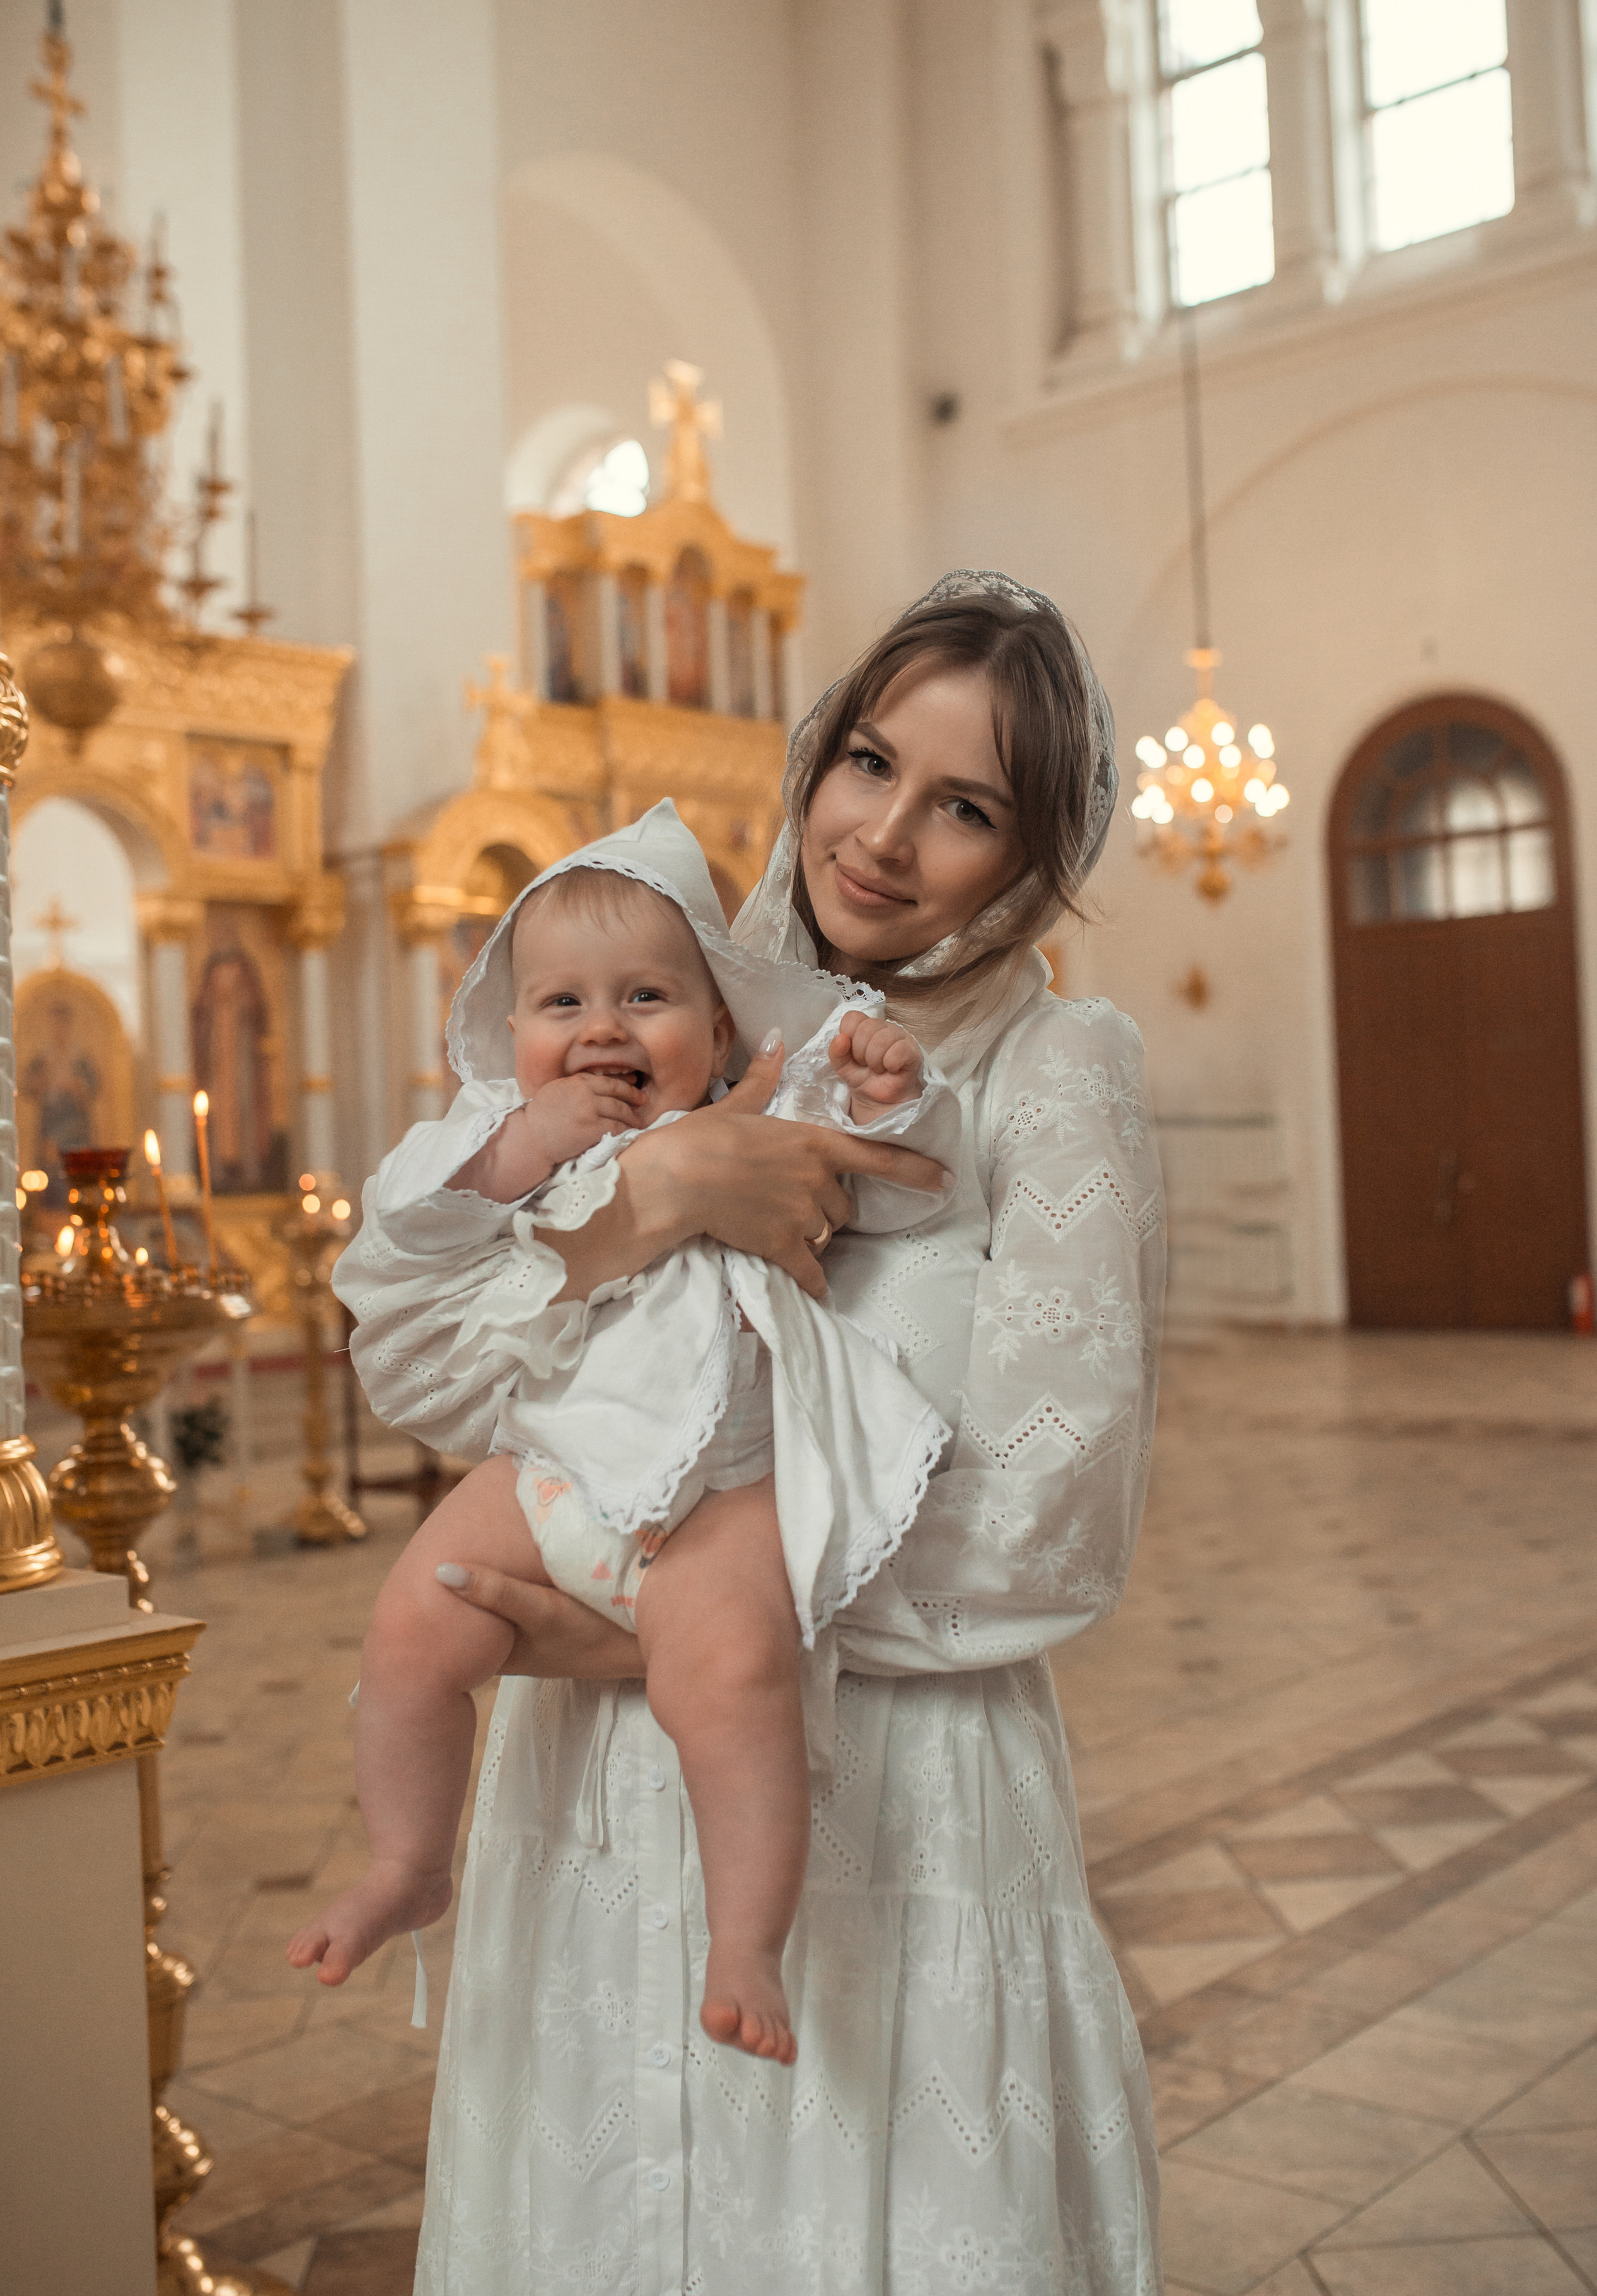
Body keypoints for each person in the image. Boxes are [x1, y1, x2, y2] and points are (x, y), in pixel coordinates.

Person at [340, 572, 1165, 2294]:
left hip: (895, 1786)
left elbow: (1049, 1513)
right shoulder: (649, 1019)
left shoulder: (1047, 1066)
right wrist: (647, 1195)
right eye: (869, 761)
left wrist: (640, 1620)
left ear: (1034, 850)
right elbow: (414, 1364)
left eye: (966, 805)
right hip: (593, 1806)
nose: (882, 836)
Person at [295, 805, 959, 2064]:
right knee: (410, 1623)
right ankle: (404, 1861)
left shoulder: (765, 1105)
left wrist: (892, 1087)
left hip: (728, 1490)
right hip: (550, 1478)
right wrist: (513, 1149)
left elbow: (899, 1171)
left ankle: (745, 1936)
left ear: (716, 1030)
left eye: (644, 996)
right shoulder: (490, 1152)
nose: (599, 1028)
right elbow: (405, 1234)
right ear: (510, 1038)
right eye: (560, 1007)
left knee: (730, 1673)